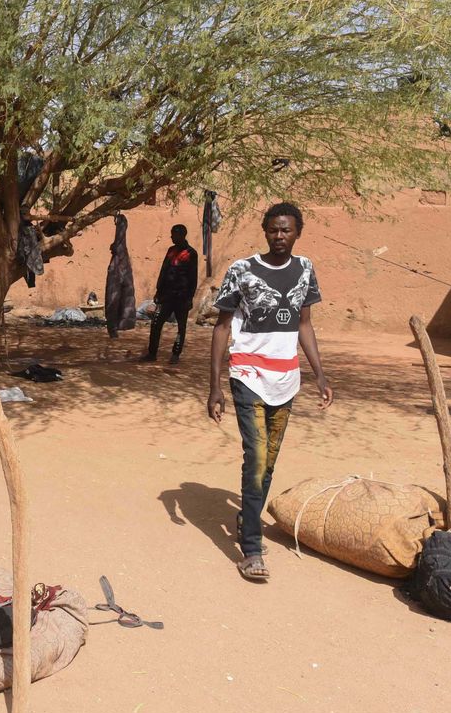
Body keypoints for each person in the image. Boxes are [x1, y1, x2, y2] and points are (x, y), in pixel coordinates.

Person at [207, 202, 333, 582]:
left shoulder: (305, 269)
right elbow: (222, 327)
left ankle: (247, 515)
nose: (280, 236)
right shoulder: (242, 270)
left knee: (270, 461)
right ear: (265, 231)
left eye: (286, 230)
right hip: (248, 375)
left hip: (286, 379)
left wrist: (320, 375)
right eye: (274, 230)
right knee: (257, 457)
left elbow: (304, 325)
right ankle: (251, 547)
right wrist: (215, 386)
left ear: (298, 233)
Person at [142, 224, 199, 364]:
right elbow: (164, 271)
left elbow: (193, 277)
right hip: (166, 295)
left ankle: (176, 354)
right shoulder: (171, 251)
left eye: (174, 234)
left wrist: (190, 297)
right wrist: (158, 291)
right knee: (156, 323)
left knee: (181, 326)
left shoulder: (191, 253)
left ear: (182, 235)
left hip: (182, 297)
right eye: (172, 234)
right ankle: (152, 353)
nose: (172, 237)